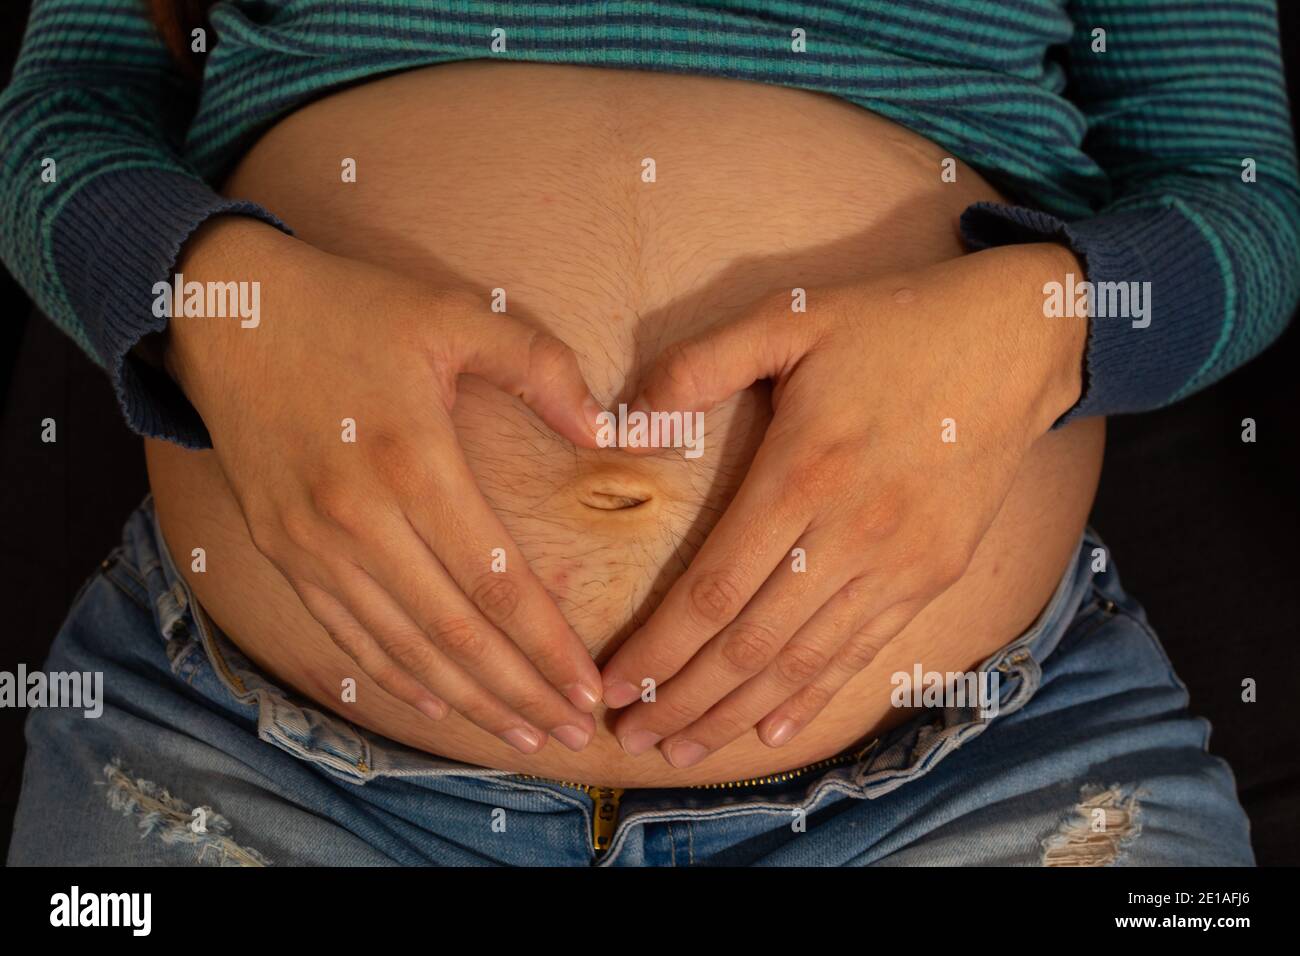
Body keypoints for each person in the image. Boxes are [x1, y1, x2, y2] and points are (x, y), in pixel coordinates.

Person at [1, 0, 1295, 866]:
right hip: (246, 754)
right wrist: (213, 307)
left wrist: (1044, 325)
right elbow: (60, 125)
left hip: (990, 773)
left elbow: (1242, 201)